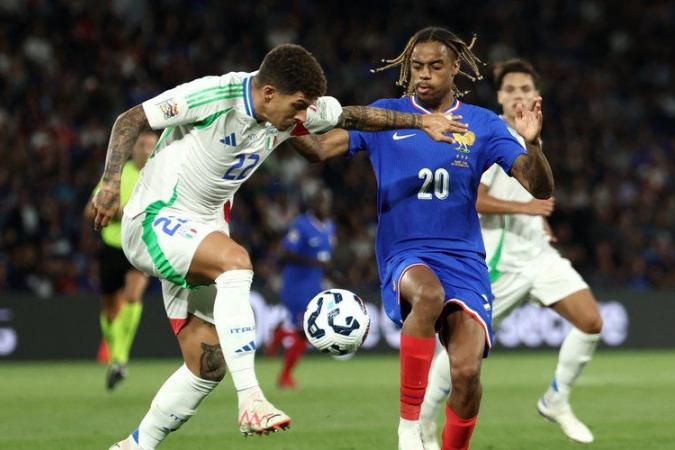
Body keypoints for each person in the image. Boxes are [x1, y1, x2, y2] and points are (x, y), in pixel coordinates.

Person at [94, 43, 467, 450]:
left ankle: (134, 445)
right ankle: (251, 398)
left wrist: (419, 121)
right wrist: (111, 183)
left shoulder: (294, 111)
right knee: (236, 262)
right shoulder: (214, 94)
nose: (304, 116)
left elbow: (355, 115)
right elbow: (131, 119)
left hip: (200, 229)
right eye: (299, 106)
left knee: (206, 364)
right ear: (269, 93)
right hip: (154, 218)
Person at [289, 27, 554, 450]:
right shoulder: (386, 115)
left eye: (435, 66)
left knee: (466, 375)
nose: (423, 75)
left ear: (454, 70)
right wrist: (290, 124)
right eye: (416, 67)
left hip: (466, 260)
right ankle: (409, 428)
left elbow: (538, 188)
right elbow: (319, 150)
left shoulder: (482, 124)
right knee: (427, 295)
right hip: (405, 252)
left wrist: (534, 143)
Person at [420, 58, 603, 447]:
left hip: (538, 253)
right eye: (510, 90)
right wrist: (528, 209)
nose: (517, 95)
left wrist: (540, 221)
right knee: (462, 356)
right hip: (500, 260)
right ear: (499, 97)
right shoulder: (485, 135)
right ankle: (422, 419)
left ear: (534, 96)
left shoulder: (530, 135)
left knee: (590, 321)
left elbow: (527, 190)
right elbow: (476, 198)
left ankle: (555, 400)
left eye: (524, 89)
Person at [83, 130, 156, 390]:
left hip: (140, 245)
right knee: (110, 309)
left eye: (150, 145)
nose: (145, 149)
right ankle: (115, 358)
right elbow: (89, 209)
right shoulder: (116, 175)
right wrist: (110, 211)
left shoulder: (159, 175)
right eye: (141, 144)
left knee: (134, 296)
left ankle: (120, 358)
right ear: (133, 148)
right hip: (112, 246)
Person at [268, 187, 337, 388]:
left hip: (315, 286)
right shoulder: (301, 225)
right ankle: (285, 376)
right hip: (296, 285)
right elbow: (284, 254)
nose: (323, 205)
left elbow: (325, 258)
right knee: (305, 332)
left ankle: (280, 333)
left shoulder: (330, 226)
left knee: (306, 331)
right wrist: (315, 263)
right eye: (319, 201)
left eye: (325, 201)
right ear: (313, 204)